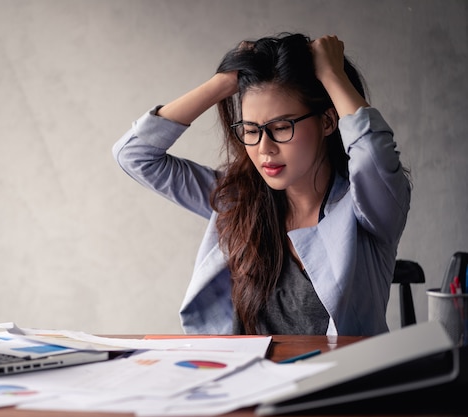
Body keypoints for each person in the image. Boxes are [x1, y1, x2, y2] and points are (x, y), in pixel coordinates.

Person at [112, 33, 411, 336]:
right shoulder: (237, 199)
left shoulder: (367, 209)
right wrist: (223, 83)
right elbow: (134, 155)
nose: (264, 148)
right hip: (247, 380)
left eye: (281, 127)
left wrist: (332, 76)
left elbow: (373, 154)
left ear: (327, 122)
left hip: (340, 380)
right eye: (251, 130)